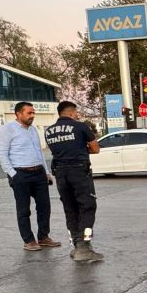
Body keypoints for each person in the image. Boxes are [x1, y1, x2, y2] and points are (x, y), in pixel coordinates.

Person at [0, 102, 62, 252]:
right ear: (18, 114)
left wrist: (46, 172)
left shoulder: (32, 130)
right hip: (20, 174)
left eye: (33, 113)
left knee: (45, 207)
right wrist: (13, 175)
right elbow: (1, 156)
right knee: (24, 210)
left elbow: (38, 152)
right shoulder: (7, 130)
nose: (32, 116)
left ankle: (43, 237)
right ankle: (29, 240)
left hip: (38, 173)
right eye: (29, 113)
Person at [44, 101, 103, 263]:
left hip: (61, 173)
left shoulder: (48, 131)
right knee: (88, 206)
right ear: (71, 113)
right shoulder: (81, 127)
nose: (77, 115)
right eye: (76, 113)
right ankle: (84, 247)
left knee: (70, 209)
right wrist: (82, 149)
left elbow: (57, 150)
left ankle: (76, 246)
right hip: (79, 171)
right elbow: (95, 148)